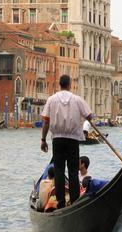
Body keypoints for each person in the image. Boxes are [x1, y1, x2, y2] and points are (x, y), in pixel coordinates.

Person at [41, 74, 92, 209]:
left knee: (58, 171)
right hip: (73, 140)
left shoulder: (51, 100)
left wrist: (43, 140)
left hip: (57, 140)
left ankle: (61, 203)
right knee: (73, 171)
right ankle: (74, 202)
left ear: (59, 84)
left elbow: (46, 122)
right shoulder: (77, 99)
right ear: (69, 85)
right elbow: (90, 115)